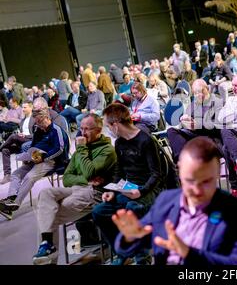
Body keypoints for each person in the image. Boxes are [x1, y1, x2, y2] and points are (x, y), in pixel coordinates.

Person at [112, 137, 237, 265]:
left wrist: (189, 254)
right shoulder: (166, 201)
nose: (196, 190)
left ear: (218, 173)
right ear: (179, 171)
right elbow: (132, 242)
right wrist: (131, 236)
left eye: (206, 181)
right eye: (190, 180)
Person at [32, 114, 116, 265]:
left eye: (87, 129)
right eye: (80, 128)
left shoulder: (107, 150)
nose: (82, 133)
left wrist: (82, 149)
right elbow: (67, 178)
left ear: (98, 131)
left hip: (94, 193)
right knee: (45, 194)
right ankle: (47, 245)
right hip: (78, 188)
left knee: (47, 215)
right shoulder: (79, 151)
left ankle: (48, 256)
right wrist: (85, 179)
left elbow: (89, 170)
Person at [92, 103, 166, 265]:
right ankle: (123, 252)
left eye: (108, 126)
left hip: (150, 189)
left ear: (116, 125)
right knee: (99, 211)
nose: (108, 130)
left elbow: (157, 174)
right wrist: (113, 190)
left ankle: (142, 258)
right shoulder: (119, 143)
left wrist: (142, 191)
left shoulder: (145, 140)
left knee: (133, 208)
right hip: (129, 188)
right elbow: (120, 171)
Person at [0, 108, 69, 219]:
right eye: (36, 122)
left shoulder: (57, 130)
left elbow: (60, 149)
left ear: (47, 118)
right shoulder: (39, 130)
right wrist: (29, 156)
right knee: (16, 173)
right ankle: (11, 199)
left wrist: (44, 157)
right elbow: (34, 145)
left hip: (51, 161)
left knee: (29, 177)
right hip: (36, 158)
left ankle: (14, 205)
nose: (38, 125)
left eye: (39, 122)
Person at [167, 79, 222, 164]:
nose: (197, 95)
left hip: (209, 135)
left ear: (207, 89)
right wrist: (185, 120)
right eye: (195, 93)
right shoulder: (194, 103)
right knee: (171, 131)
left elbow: (218, 125)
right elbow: (187, 119)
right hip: (194, 133)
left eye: (200, 91)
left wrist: (198, 124)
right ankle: (182, 159)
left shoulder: (217, 102)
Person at [0, 100, 33, 184]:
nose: (23, 109)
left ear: (31, 107)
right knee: (5, 150)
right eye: (22, 107)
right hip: (21, 142)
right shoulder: (23, 121)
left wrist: (25, 136)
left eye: (25, 107)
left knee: (13, 136)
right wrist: (21, 134)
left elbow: (37, 135)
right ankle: (7, 175)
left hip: (30, 141)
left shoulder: (35, 119)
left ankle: (0, 147)